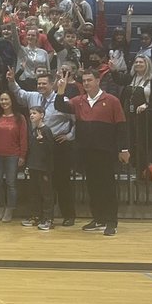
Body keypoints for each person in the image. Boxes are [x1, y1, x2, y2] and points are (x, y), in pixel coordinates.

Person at [54, 70, 130, 236]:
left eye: (90, 80)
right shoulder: (79, 100)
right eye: (84, 80)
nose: (86, 83)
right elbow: (59, 106)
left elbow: (121, 127)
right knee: (92, 187)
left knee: (107, 187)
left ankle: (111, 221)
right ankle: (98, 219)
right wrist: (61, 90)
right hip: (86, 152)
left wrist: (123, 149)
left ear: (97, 81)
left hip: (106, 151)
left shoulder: (111, 100)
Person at [8, 69, 77, 227]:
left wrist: (70, 135)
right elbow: (18, 92)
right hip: (38, 147)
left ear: (52, 84)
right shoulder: (33, 96)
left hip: (58, 145)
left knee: (62, 182)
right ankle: (40, 216)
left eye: (44, 83)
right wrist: (12, 80)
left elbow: (76, 119)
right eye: (39, 83)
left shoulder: (63, 100)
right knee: (39, 185)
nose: (41, 86)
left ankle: (68, 215)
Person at [0, 91, 26, 222]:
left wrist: (22, 156)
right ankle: (1, 207)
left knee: (11, 183)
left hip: (13, 155)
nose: (4, 102)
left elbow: (24, 138)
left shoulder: (20, 118)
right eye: (1, 100)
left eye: (6, 99)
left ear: (12, 100)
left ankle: (10, 209)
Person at [20, 107, 55, 230]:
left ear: (42, 115)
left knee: (47, 195)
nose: (31, 116)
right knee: (34, 193)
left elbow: (51, 150)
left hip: (44, 168)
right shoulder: (34, 130)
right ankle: (36, 216)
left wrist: (43, 142)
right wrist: (28, 166)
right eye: (30, 114)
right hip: (33, 167)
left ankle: (48, 219)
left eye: (34, 113)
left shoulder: (46, 130)